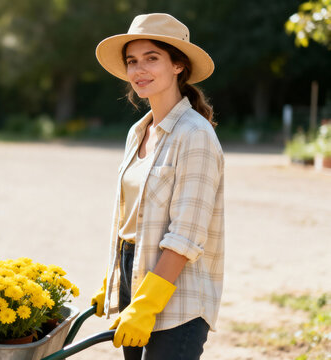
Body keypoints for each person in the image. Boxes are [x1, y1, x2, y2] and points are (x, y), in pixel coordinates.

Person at [90, 13, 225, 360]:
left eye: (152, 58)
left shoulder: (194, 135)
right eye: (132, 62)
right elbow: (131, 218)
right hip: (132, 279)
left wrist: (148, 303)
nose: (139, 70)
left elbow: (186, 235)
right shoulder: (138, 132)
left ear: (178, 65)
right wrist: (114, 279)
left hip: (175, 293)